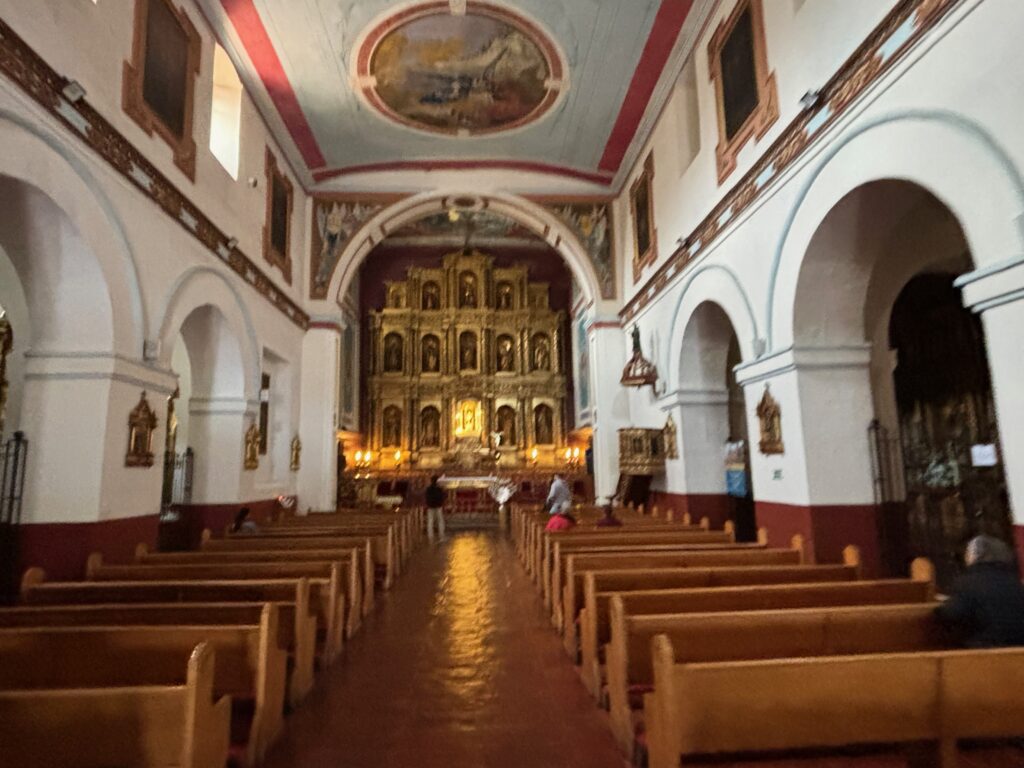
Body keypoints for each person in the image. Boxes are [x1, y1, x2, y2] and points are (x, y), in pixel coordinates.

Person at [935, 534, 1024, 648]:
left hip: (983, 650)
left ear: (974, 556)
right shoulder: (1015, 582)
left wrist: (938, 611)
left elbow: (951, 614)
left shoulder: (967, 582)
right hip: (1019, 651)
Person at [424, 475, 446, 543]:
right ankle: (441, 535)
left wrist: (428, 503)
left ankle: (430, 536)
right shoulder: (439, 488)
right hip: (438, 506)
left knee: (430, 521)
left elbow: (426, 497)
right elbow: (443, 496)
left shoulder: (428, 488)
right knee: (440, 521)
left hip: (430, 506)